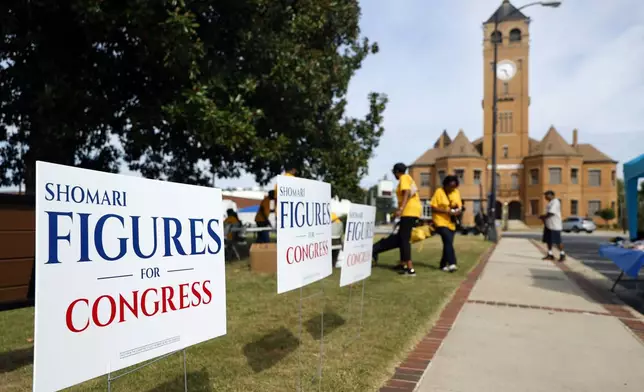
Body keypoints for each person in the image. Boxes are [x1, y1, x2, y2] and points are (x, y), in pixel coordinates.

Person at [392, 163, 423, 276]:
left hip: (408, 211)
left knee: (404, 239)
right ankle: (403, 263)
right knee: (402, 237)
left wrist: (401, 209)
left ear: (396, 171)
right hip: (413, 211)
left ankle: (410, 269)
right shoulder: (409, 178)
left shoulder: (404, 177)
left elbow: (406, 193)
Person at [430, 175, 463, 272]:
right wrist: (446, 211)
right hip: (440, 221)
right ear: (445, 185)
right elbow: (433, 207)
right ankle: (452, 263)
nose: (452, 189)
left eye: (454, 187)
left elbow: (459, 206)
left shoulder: (456, 192)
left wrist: (457, 211)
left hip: (451, 222)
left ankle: (443, 264)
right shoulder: (439, 192)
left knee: (448, 243)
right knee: (447, 240)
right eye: (450, 186)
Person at [540, 190, 565, 261]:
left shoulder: (555, 202)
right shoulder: (550, 203)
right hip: (548, 225)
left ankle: (562, 254)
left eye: (547, 195)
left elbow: (551, 213)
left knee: (557, 241)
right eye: (545, 195)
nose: (545, 197)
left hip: (555, 226)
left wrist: (543, 217)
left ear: (552, 195)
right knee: (548, 240)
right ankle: (550, 254)